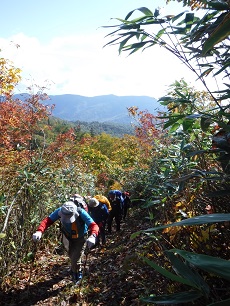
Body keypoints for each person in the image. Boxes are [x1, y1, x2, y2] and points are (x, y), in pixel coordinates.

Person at [32, 201, 99, 284]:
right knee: (71, 255)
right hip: (67, 237)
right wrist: (39, 231)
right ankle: (74, 268)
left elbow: (93, 225)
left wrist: (93, 236)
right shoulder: (60, 210)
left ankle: (77, 274)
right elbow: (47, 221)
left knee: (75, 258)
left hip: (80, 238)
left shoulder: (81, 212)